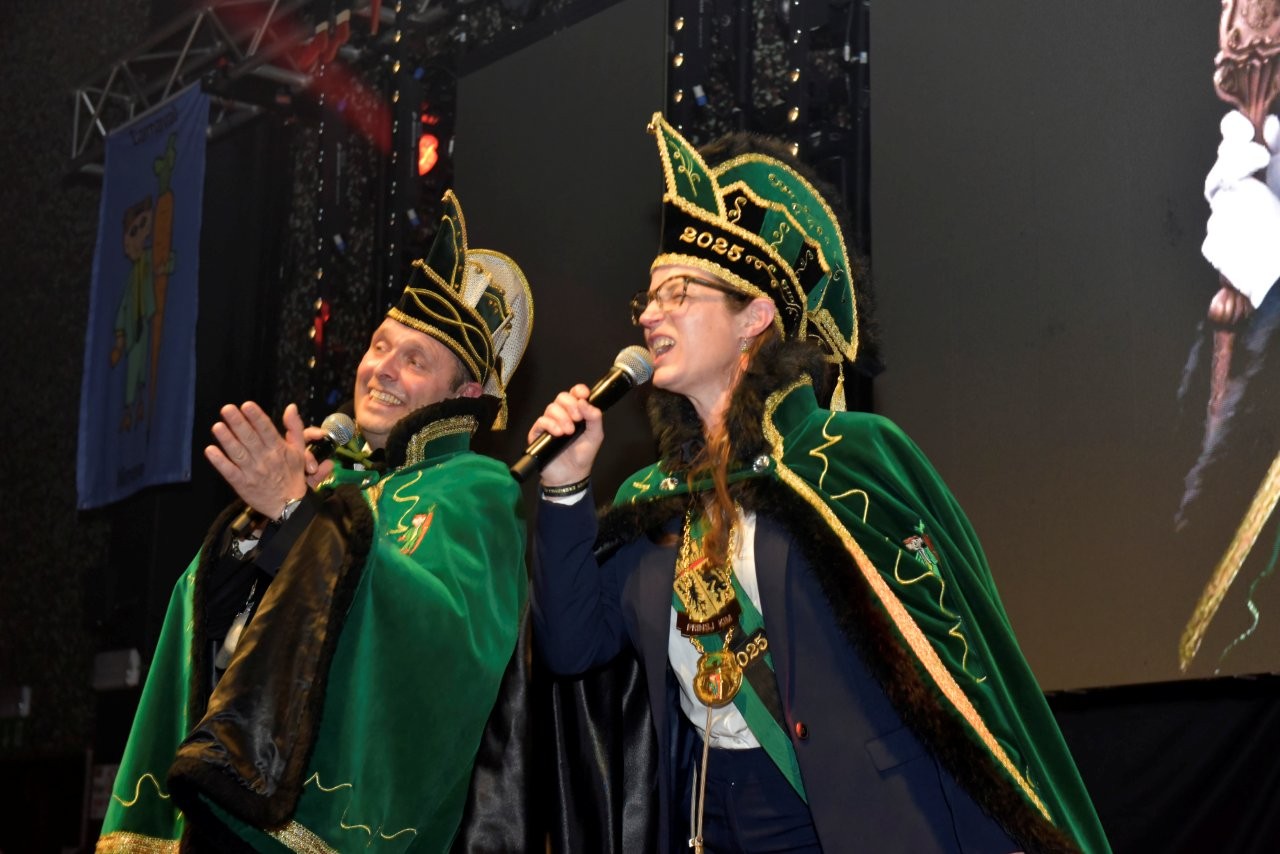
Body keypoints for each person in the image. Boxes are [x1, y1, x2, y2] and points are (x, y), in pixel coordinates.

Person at [528, 114, 1111, 853]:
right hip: (707, 822)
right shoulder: (655, 497)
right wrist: (565, 488)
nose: (650, 314)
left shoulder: (852, 456)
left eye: (679, 293)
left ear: (755, 317)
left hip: (849, 822)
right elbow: (572, 645)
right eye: (647, 298)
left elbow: (961, 671)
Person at [98, 190, 534, 852]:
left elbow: (449, 643)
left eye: (414, 360)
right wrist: (260, 527)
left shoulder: (475, 488)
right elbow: (213, 622)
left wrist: (301, 517)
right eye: (380, 346)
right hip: (226, 799)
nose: (382, 368)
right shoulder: (337, 481)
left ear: (466, 395)